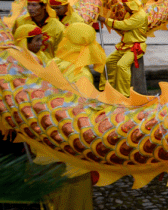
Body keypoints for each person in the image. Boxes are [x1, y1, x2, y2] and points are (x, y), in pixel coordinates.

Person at [45, 23, 103, 210]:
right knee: (75, 194)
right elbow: (86, 113)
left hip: (49, 135)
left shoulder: (52, 63)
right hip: (73, 142)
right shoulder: (82, 74)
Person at [99, 0, 149, 97]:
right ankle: (107, 88)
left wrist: (105, 20)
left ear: (132, 4)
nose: (124, 7)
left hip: (136, 46)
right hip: (125, 45)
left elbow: (124, 25)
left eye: (126, 5)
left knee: (122, 65)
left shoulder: (140, 15)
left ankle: (123, 94)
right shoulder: (129, 13)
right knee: (109, 61)